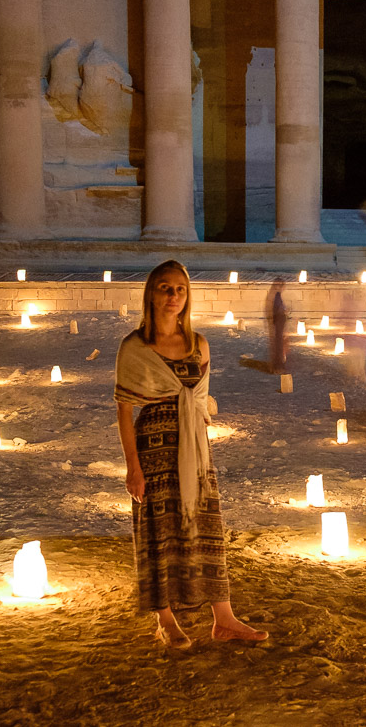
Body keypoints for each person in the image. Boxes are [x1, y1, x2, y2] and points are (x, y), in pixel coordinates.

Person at [115, 260, 267, 650]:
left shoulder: (199, 344)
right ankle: (165, 618)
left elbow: (198, 404)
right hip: (153, 446)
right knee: (158, 531)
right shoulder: (134, 347)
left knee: (206, 527)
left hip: (194, 448)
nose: (173, 296)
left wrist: (202, 455)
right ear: (152, 293)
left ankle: (224, 618)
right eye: (165, 288)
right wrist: (133, 467)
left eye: (180, 289)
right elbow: (125, 408)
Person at [265, 280, 288, 374]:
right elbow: (278, 310)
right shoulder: (277, 296)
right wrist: (284, 312)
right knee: (278, 344)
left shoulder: (274, 295)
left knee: (277, 344)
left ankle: (277, 366)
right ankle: (278, 367)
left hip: (277, 323)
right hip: (278, 324)